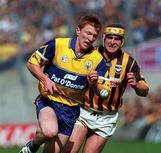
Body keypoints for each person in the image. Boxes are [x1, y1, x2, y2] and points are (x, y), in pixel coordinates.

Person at [19, 15, 110, 153]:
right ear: (78, 30)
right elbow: (32, 63)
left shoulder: (98, 60)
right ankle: (33, 146)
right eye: (88, 33)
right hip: (49, 100)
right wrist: (45, 79)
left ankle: (38, 138)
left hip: (71, 110)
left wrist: (94, 84)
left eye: (94, 35)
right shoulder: (57, 45)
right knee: (50, 131)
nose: (90, 38)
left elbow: (104, 92)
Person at [63, 24, 149, 153]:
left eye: (117, 38)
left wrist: (136, 85)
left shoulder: (129, 62)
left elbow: (145, 91)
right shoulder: (89, 54)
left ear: (122, 41)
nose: (113, 42)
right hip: (82, 111)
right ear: (103, 38)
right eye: (110, 37)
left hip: (106, 118)